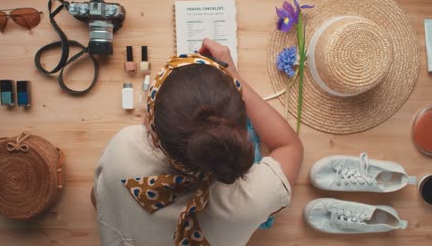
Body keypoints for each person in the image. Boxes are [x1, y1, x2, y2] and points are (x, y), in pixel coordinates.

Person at [92, 38, 303, 246]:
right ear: (239, 130)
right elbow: (289, 146)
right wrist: (235, 76)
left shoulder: (123, 147)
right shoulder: (254, 198)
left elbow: (98, 199)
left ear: (150, 127)